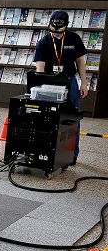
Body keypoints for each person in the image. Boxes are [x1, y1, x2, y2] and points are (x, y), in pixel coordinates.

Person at [33, 10, 88, 165]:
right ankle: (48, 151)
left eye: (59, 33)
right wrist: (40, 90)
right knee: (48, 118)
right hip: (50, 84)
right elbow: (40, 68)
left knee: (73, 119)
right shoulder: (43, 42)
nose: (56, 35)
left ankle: (72, 154)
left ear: (66, 27)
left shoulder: (74, 38)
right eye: (53, 32)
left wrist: (84, 83)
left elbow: (80, 62)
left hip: (70, 82)